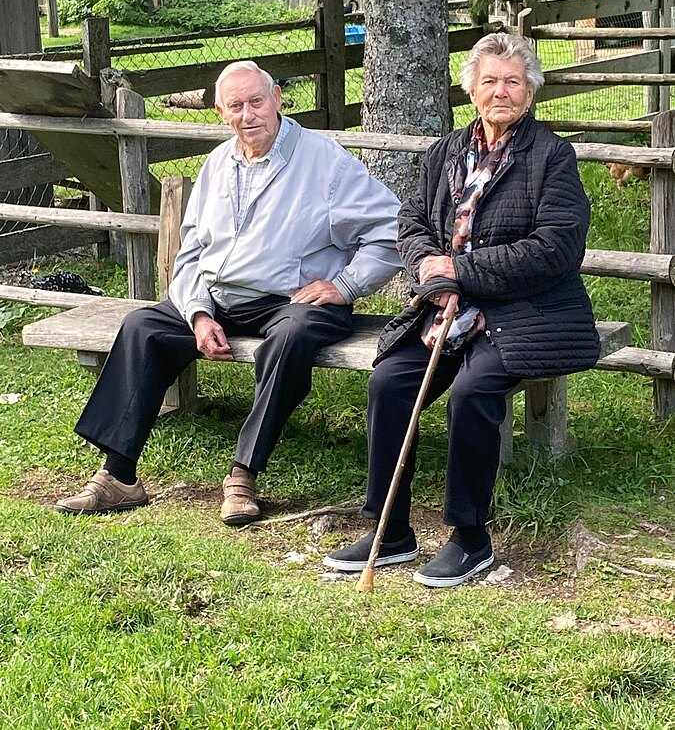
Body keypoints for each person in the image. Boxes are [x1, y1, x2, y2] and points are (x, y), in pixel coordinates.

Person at [56, 60, 402, 523]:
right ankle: (119, 476)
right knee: (143, 326)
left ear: (277, 98)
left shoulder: (326, 162)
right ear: (220, 112)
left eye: (256, 101)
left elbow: (393, 230)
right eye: (235, 106)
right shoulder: (218, 163)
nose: (248, 115)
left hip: (293, 302)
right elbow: (191, 252)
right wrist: (199, 314)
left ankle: (243, 474)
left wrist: (345, 284)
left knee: (292, 336)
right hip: (218, 298)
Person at [324, 32, 600, 587]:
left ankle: (470, 538)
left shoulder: (551, 156)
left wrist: (461, 271)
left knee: (473, 393)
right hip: (446, 310)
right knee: (389, 383)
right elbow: (411, 222)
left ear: (530, 93)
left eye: (514, 82)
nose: (501, 92)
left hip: (526, 312)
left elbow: (557, 248)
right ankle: (390, 530)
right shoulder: (446, 151)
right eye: (490, 81)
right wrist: (432, 272)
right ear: (471, 89)